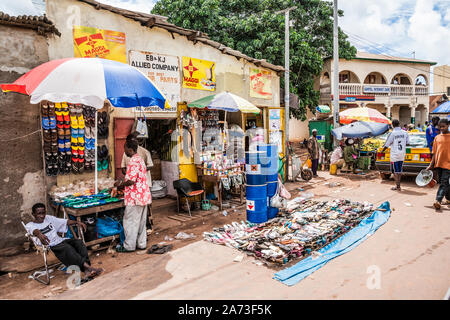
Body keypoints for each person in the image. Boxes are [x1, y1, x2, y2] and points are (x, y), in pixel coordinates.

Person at [25, 203, 103, 278]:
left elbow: (64, 222)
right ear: (33, 214)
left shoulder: (48, 218)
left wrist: (77, 222)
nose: (42, 216)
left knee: (78, 242)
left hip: (60, 241)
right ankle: (89, 268)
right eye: (39, 213)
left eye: (43, 213)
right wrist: (39, 234)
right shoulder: (30, 225)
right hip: (50, 246)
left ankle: (87, 270)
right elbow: (34, 231)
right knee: (67, 248)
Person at [115, 139, 152, 252]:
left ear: (130, 149)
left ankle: (129, 246)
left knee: (130, 222)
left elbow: (131, 181)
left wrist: (119, 184)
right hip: (143, 195)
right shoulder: (140, 160)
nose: (124, 151)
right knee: (141, 222)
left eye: (125, 148)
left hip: (135, 197)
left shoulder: (133, 161)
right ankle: (141, 244)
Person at [426, 118, 450, 210]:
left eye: (443, 126)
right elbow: (434, 153)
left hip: (448, 164)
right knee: (444, 182)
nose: (442, 128)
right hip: (439, 164)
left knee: (444, 182)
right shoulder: (437, 138)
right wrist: (431, 165)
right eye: (440, 127)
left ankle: (438, 200)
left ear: (448, 125)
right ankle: (448, 198)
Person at [380, 119, 410, 191]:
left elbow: (387, 144)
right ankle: (398, 185)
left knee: (395, 171)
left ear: (392, 125)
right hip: (402, 153)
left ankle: (398, 186)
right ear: (399, 124)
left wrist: (382, 151)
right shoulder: (405, 133)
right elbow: (408, 143)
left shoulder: (392, 133)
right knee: (399, 169)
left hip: (395, 154)